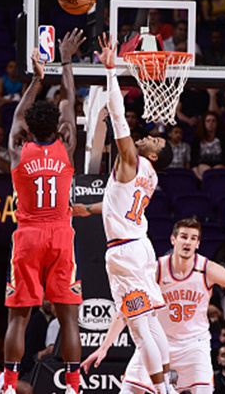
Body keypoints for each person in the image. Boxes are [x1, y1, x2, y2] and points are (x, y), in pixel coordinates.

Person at [81, 218, 225, 393]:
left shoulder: (207, 269)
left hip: (194, 345)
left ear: (198, 243)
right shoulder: (156, 269)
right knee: (129, 390)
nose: (188, 242)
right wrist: (104, 347)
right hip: (158, 344)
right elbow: (127, 309)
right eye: (183, 236)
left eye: (193, 238)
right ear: (173, 239)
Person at [72, 33, 177, 394]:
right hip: (140, 246)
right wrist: (89, 209)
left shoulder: (133, 160)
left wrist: (111, 72)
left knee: (139, 329)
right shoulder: (149, 175)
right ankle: (170, 387)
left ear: (154, 154)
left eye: (157, 141)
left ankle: (162, 391)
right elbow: (119, 202)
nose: (151, 137)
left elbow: (118, 118)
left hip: (124, 253)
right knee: (150, 322)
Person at [3, 29, 84, 394]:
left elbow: (18, 116)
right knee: (68, 317)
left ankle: (7, 383)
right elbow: (69, 102)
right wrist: (65, 60)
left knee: (18, 318)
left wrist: (37, 79)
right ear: (58, 128)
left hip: (29, 234)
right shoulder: (67, 143)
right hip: (61, 234)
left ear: (28, 129)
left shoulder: (19, 150)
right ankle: (73, 382)